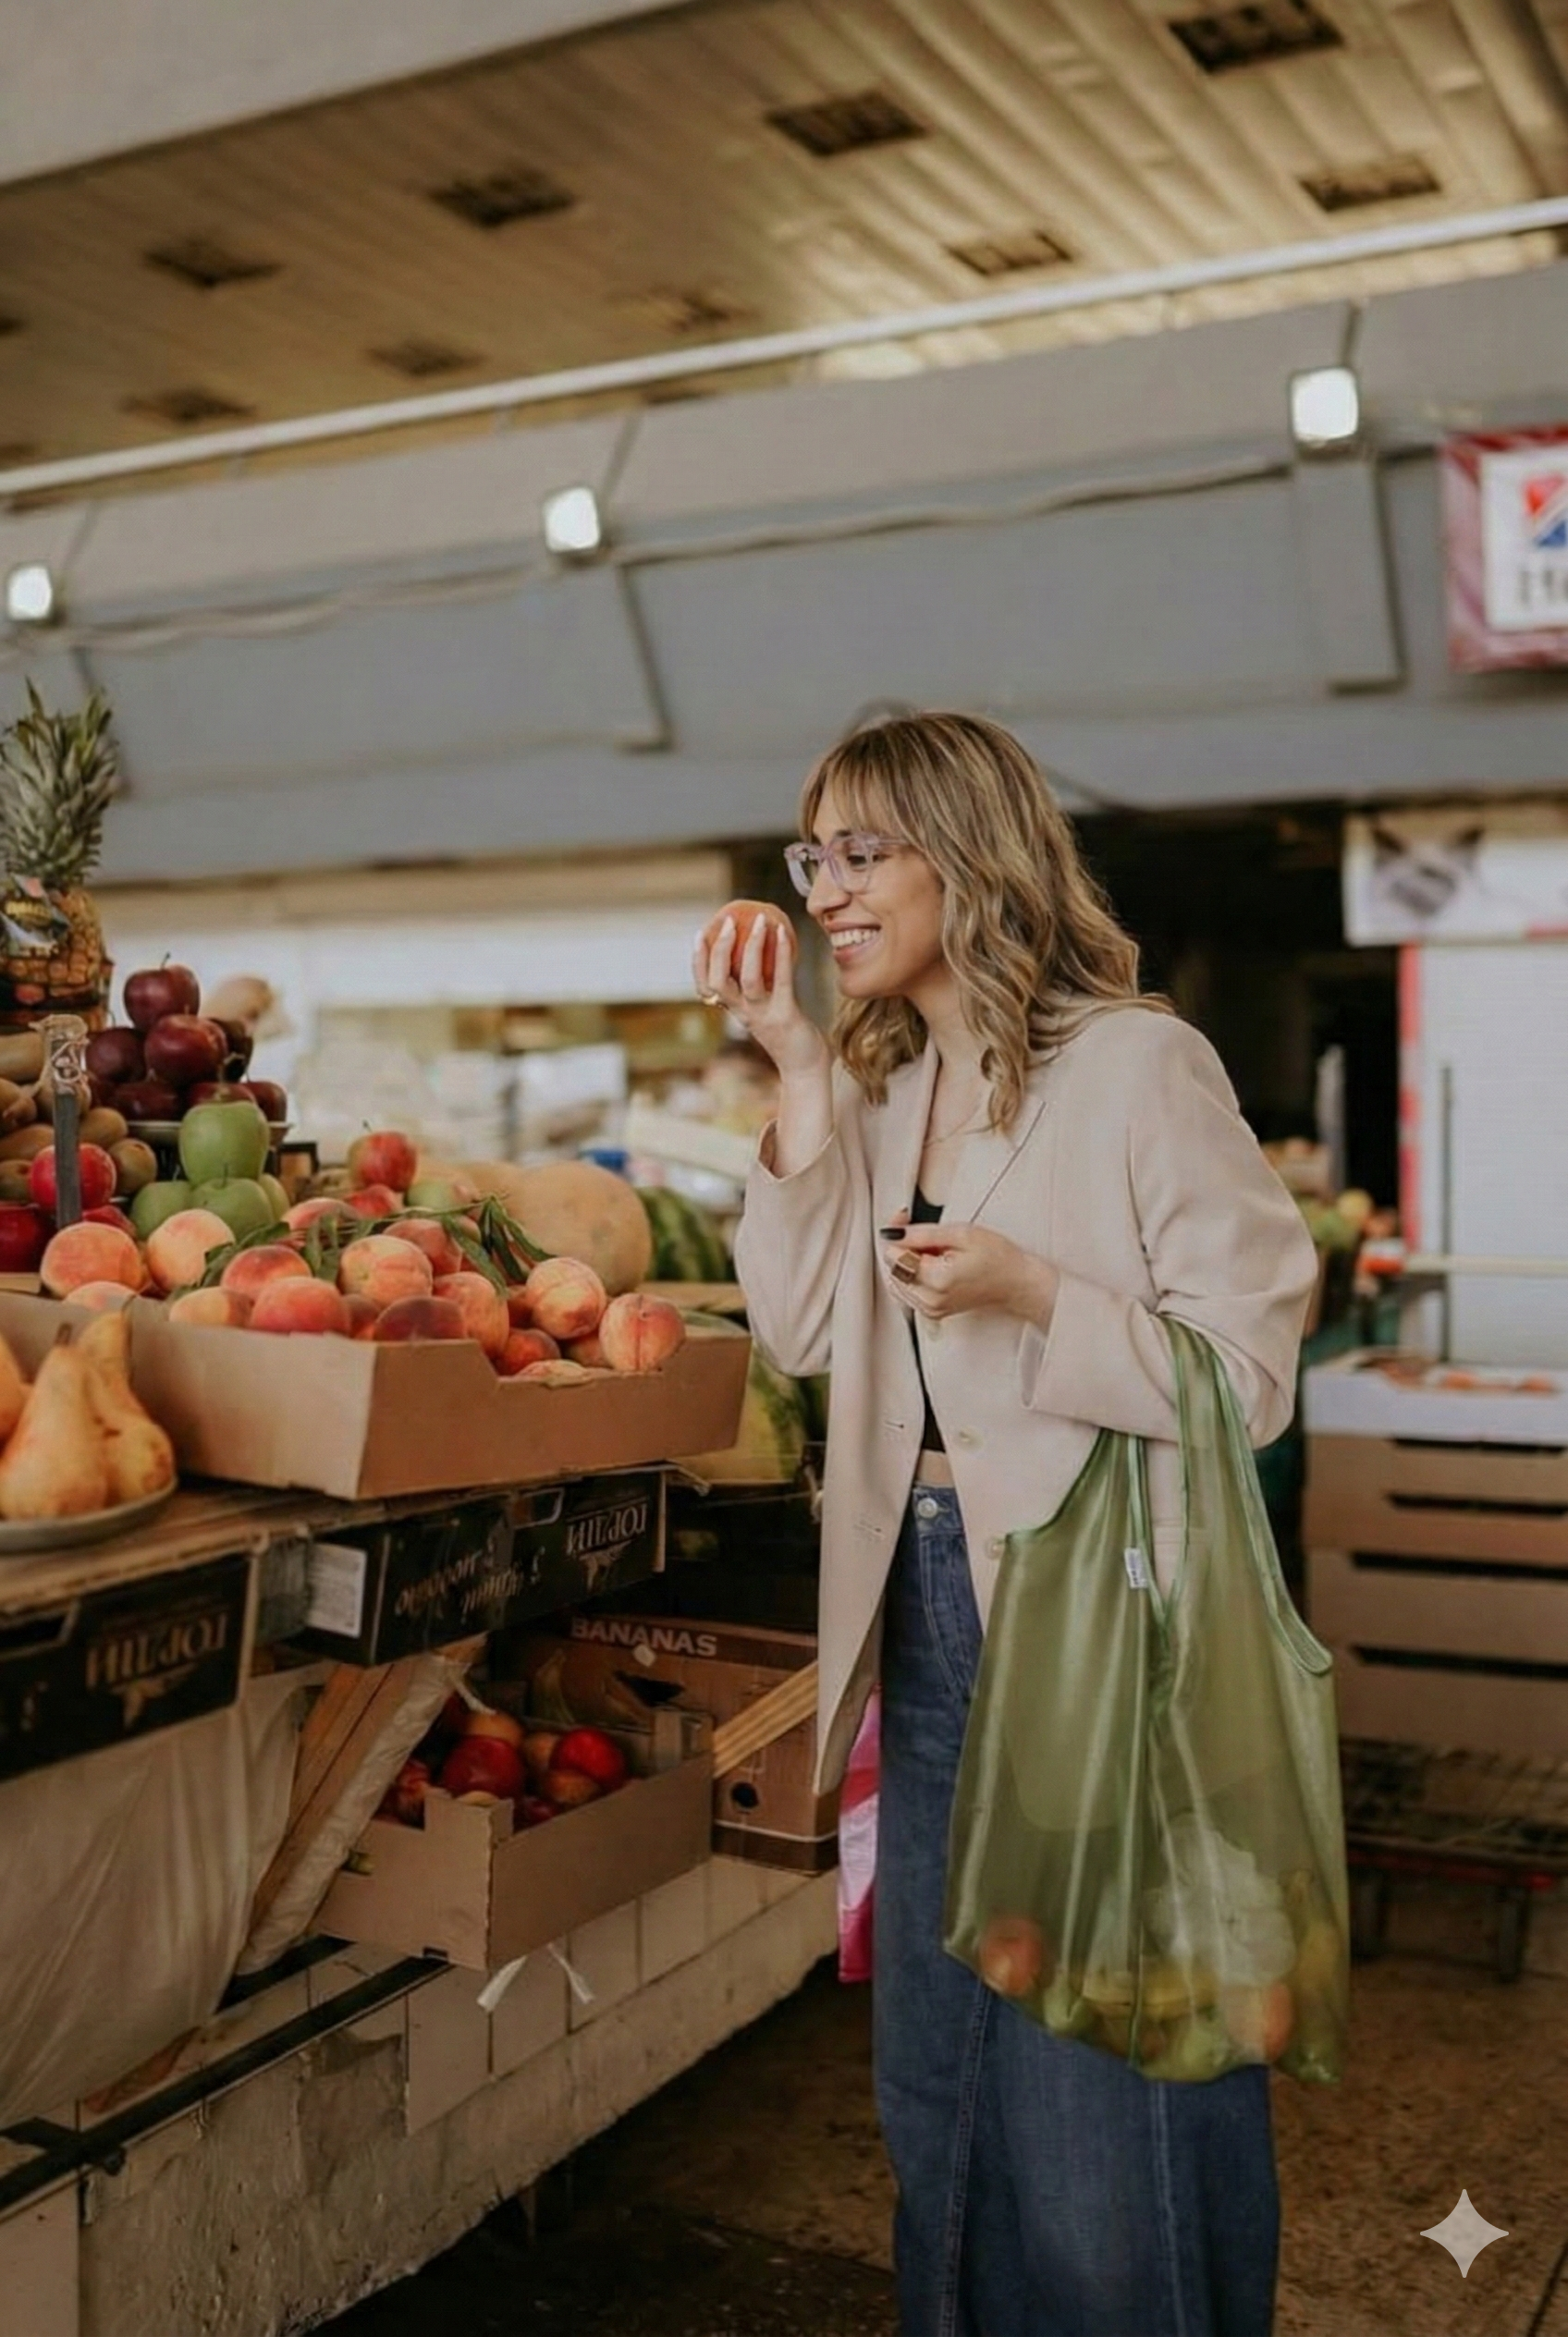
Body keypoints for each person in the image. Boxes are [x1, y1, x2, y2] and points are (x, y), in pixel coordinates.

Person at [694, 712, 1318, 2337]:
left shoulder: (1138, 1065)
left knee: (1108, 2096)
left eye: (858, 852)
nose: (823, 890)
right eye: (807, 855)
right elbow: (810, 1333)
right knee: (944, 2091)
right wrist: (802, 1065)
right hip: (924, 1609)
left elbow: (1247, 1376)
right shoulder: (894, 1092)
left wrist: (1038, 1294)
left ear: (969, 853)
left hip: (1095, 1630)